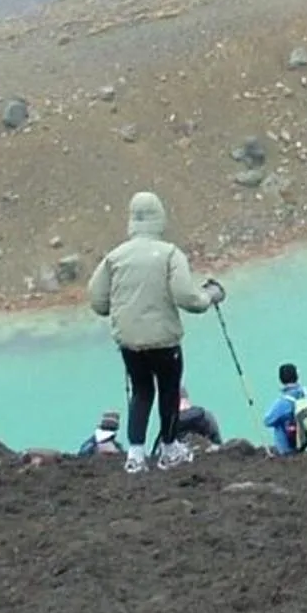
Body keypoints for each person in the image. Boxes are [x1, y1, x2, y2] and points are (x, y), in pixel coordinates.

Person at [84, 189, 219, 473]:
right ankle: (170, 450)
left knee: (141, 391)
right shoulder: (169, 254)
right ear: (160, 217)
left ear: (132, 219)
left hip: (130, 342)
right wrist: (209, 297)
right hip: (164, 341)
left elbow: (97, 301)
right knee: (168, 390)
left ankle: (135, 455)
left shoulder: (115, 257)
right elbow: (187, 297)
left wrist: (120, 310)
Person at [262, 363, 307, 455]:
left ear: (281, 379)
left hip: (289, 448)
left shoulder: (283, 401)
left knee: (278, 424)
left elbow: (267, 421)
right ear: (297, 376)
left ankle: (285, 452)